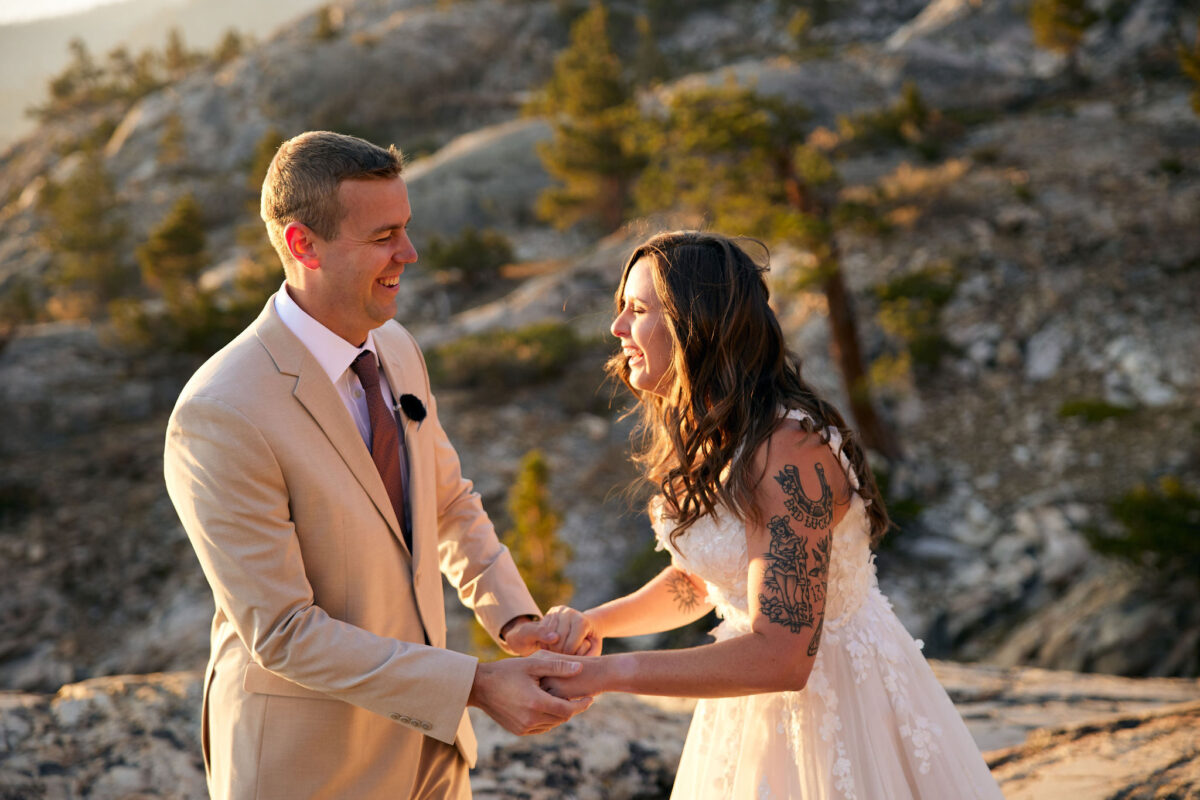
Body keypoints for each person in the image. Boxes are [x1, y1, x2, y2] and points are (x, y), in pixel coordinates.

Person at [163, 131, 591, 800]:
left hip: (433, 761)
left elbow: (447, 504)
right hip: (310, 770)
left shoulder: (396, 348)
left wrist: (512, 619)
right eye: (384, 236)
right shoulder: (220, 413)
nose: (409, 254)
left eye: (407, 228)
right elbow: (281, 632)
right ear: (303, 245)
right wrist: (474, 686)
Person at [536, 231, 1005, 799]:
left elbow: (782, 656)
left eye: (637, 310)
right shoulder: (719, 434)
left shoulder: (787, 451)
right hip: (750, 711)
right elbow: (711, 579)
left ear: (697, 323)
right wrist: (597, 625)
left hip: (838, 714)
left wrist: (605, 675)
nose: (617, 330)